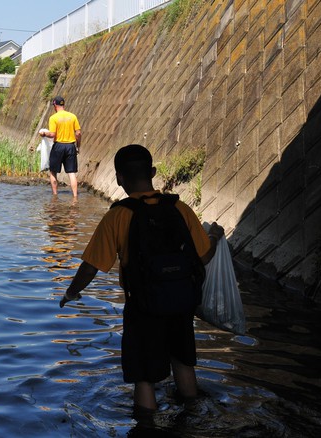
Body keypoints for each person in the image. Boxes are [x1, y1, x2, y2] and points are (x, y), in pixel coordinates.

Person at [59, 144, 225, 415]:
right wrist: (215, 237)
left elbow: (91, 267)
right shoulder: (180, 208)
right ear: (152, 172)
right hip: (182, 301)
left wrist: (71, 293)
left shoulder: (119, 215)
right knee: (182, 360)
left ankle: (146, 426)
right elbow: (204, 257)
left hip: (143, 305)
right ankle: (193, 414)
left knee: (143, 375)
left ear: (119, 178)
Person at [40, 96, 81, 198]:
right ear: (63, 104)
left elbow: (52, 134)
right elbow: (78, 133)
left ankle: (55, 196)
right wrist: (78, 146)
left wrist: (44, 133)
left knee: (53, 171)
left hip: (58, 146)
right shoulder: (73, 116)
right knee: (71, 173)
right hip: (71, 146)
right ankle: (75, 197)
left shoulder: (53, 118)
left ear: (55, 105)